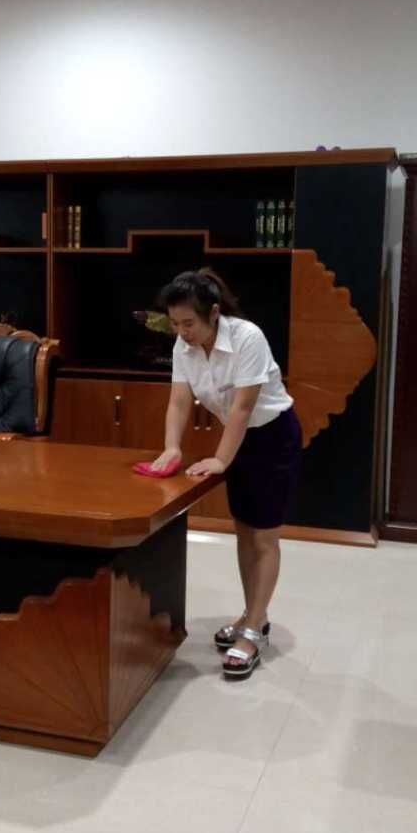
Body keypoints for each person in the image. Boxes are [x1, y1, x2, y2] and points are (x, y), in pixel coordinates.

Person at [149, 267, 301, 679]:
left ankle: (253, 631)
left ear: (214, 313)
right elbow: (179, 400)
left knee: (264, 537)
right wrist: (172, 446)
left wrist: (220, 459)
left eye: (189, 323)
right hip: (238, 439)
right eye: (175, 323)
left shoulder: (248, 337)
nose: (182, 332)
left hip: (272, 438)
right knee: (244, 531)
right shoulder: (184, 346)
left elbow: (243, 407)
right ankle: (253, 615)